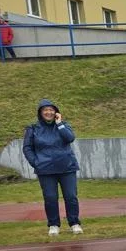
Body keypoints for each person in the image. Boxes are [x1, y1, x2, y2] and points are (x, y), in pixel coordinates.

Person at [22, 99, 83, 236]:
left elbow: (70, 138)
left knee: (71, 196)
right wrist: (36, 162)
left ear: (56, 112)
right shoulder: (33, 129)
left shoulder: (63, 125)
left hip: (67, 167)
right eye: (45, 110)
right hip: (45, 169)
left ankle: (74, 223)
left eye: (51, 110)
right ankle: (54, 225)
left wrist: (59, 123)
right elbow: (27, 148)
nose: (48, 112)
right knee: (50, 198)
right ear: (40, 113)